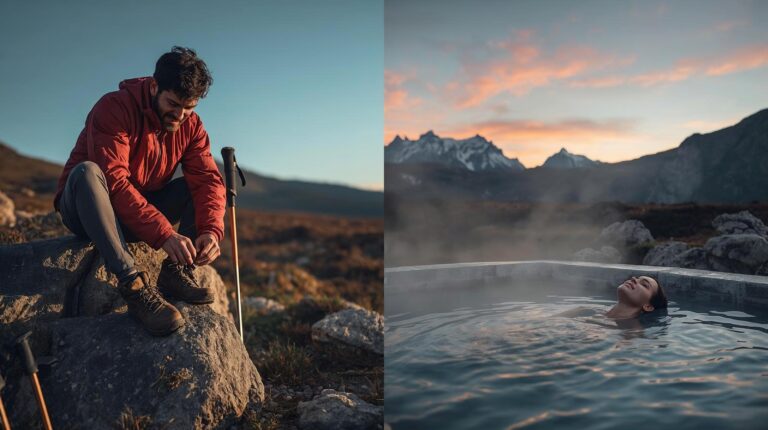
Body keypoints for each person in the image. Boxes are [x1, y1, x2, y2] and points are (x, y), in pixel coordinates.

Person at [54, 46, 225, 336]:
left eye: (189, 108)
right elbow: (114, 181)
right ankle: (132, 284)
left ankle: (176, 272)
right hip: (89, 209)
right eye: (173, 104)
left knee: (197, 185)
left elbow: (207, 180)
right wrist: (164, 233)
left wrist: (210, 230)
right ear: (154, 86)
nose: (180, 115)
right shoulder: (114, 107)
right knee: (87, 173)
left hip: (136, 212)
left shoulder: (192, 126)